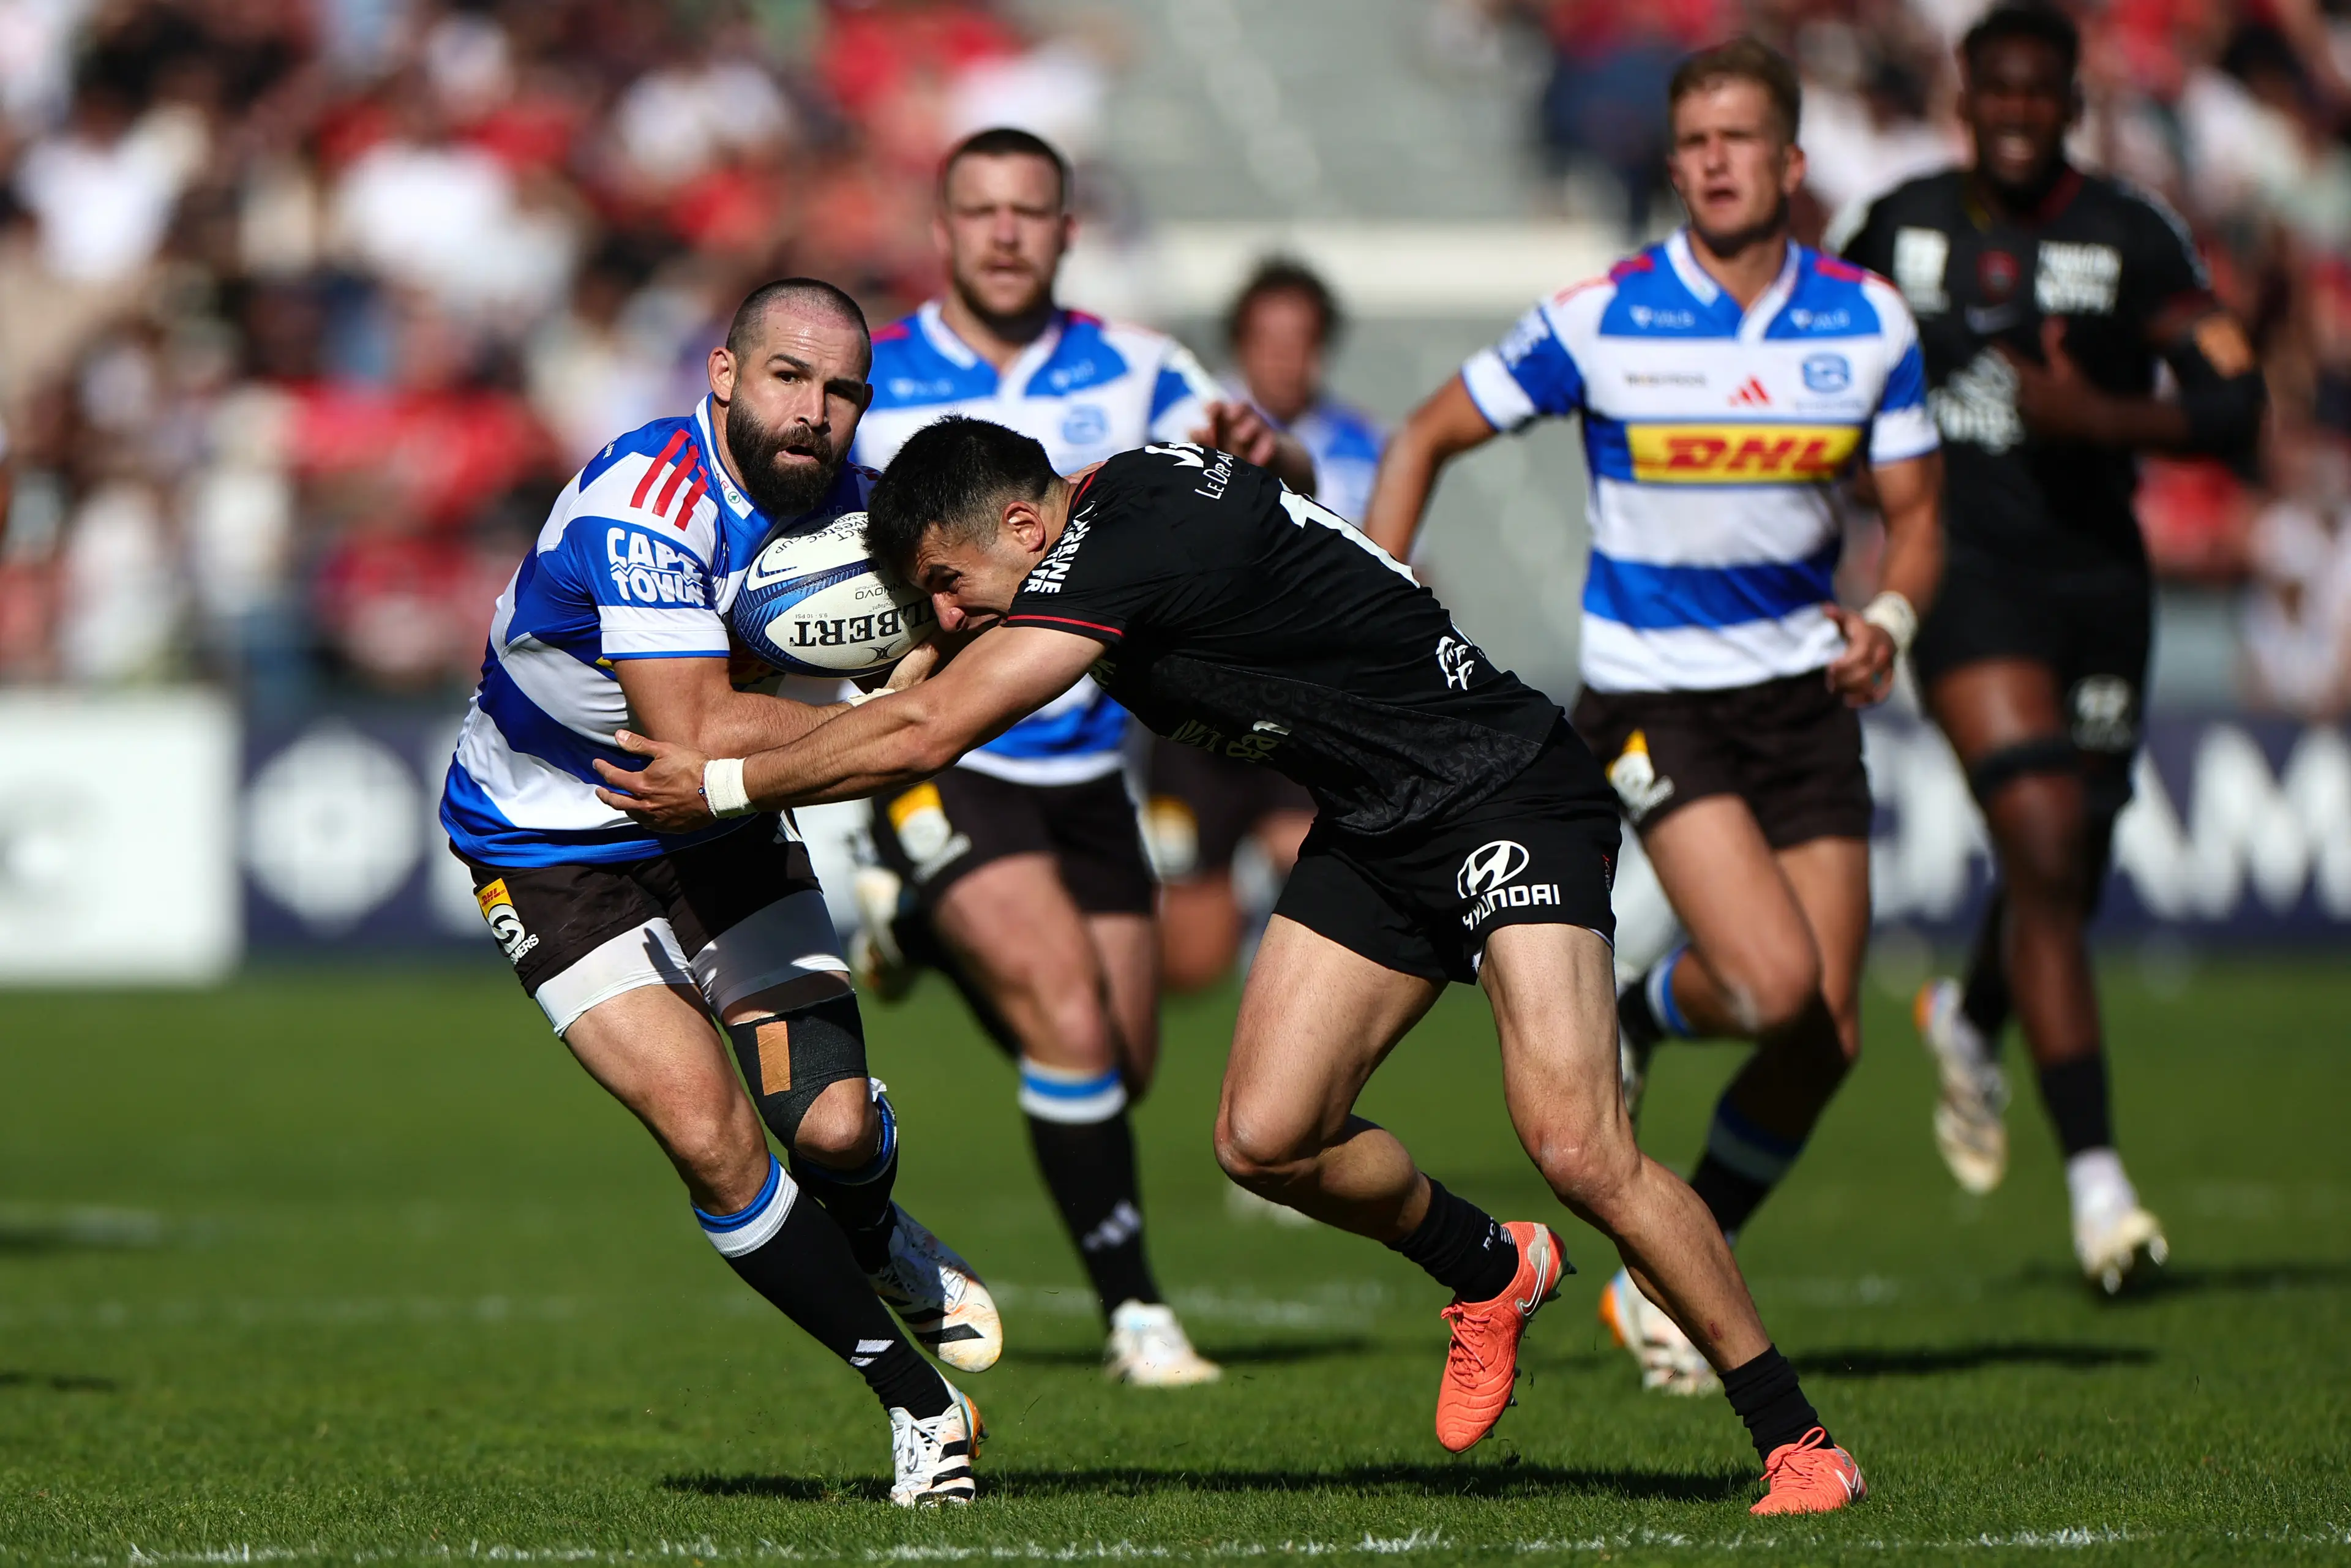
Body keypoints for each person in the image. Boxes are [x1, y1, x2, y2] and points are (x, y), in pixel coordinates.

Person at [594, 419, 1872, 1517]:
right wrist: (929, 643)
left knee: (1579, 1142)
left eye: (948, 581)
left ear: (1031, 524)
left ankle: (1798, 1440)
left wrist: (718, 780)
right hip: (1378, 823)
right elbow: (958, 656)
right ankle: (1493, 1271)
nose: (941, 611)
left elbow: (931, 727)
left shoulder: (1120, 545)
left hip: (1502, 791)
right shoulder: (1105, 503)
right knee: (1266, 1134)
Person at [1365, 40, 1943, 1397]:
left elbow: (1917, 519)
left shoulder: (1868, 322)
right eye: (1694, 142)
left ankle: (1672, 1269)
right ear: (1671, 160)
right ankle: (1649, 1004)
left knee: (1828, 1033)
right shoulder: (1603, 313)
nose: (1717, 162)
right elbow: (1424, 435)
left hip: (1801, 696)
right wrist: (1380, 615)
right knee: (1773, 980)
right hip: (1653, 697)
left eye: (1743, 139)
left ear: (1795, 163)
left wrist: (1895, 620)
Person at [437, 279, 999, 1506]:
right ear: (727, 373)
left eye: (843, 389)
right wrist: (894, 718)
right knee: (706, 1129)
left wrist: (932, 650)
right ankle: (920, 1407)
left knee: (837, 1131)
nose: (815, 411)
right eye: (790, 377)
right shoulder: (649, 500)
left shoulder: (867, 509)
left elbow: (966, 606)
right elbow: (686, 728)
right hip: (544, 845)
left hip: (725, 822)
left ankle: (874, 1221)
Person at [846, 127, 1313, 1386]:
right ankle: (1138, 1316)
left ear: (1065, 229)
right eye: (981, 210)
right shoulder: (870, 378)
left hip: (1091, 767)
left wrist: (1276, 457)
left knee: (1125, 1054)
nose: (1005, 231)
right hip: (944, 755)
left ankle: (925, 930)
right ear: (943, 230)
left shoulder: (1145, 367)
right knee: (1065, 1017)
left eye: (1030, 210)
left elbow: (1274, 484)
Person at [1832, 1, 2265, 1293]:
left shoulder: (2130, 234)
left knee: (2062, 862)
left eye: (2042, 96)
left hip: (2098, 585)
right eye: (1997, 93)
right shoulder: (1897, 230)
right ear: (1963, 98)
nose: (2018, 116)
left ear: (2071, 104)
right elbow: (1821, 364)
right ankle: (2100, 1190)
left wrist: (2103, 414)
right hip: (1959, 576)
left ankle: (1971, 1010)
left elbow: (2234, 397)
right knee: (2035, 828)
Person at [1147, 260, 1380, 991]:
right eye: (1267, 337)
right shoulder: (1186, 426)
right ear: (1241, 342)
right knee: (1192, 960)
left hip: (1304, 717)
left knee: (1323, 881)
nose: (1283, 354)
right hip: (1196, 721)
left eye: (1300, 338)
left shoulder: (1364, 447)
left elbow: (1406, 569)